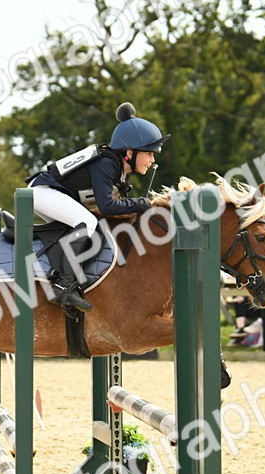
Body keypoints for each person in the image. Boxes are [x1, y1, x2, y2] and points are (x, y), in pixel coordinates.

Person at [25, 102, 167, 315]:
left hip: (54, 194)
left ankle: (60, 277)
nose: (152, 159)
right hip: (42, 191)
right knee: (87, 223)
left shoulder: (118, 169)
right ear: (130, 152)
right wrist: (139, 203)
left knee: (92, 228)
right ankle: (63, 285)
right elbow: (107, 206)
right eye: (149, 153)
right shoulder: (106, 164)